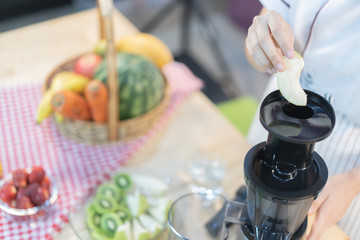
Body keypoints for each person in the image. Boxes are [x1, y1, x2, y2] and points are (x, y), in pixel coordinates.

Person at [244, 1, 360, 240]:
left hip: (347, 161)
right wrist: (259, 44)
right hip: (278, 113)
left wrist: (354, 182)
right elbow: (261, 38)